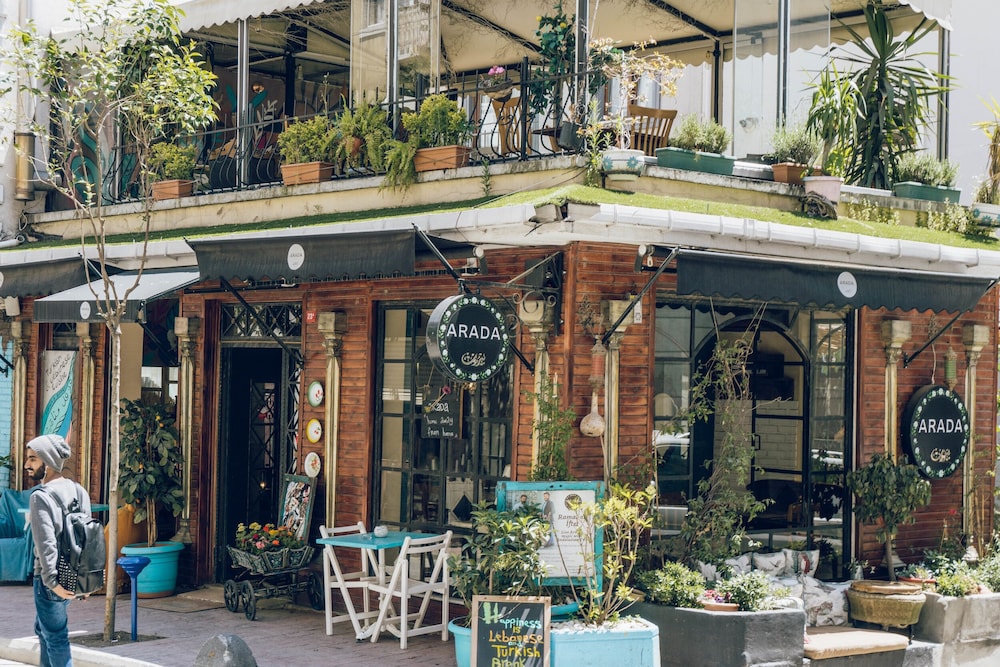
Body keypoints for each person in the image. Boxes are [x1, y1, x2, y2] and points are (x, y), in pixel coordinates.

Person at [25, 433, 91, 667]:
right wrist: (85, 581)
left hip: (50, 579)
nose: (27, 465)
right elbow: (88, 538)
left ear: (49, 461)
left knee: (56, 637)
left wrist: (52, 582)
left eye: (33, 459)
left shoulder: (40, 497)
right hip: (73, 575)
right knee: (43, 629)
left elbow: (46, 544)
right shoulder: (79, 491)